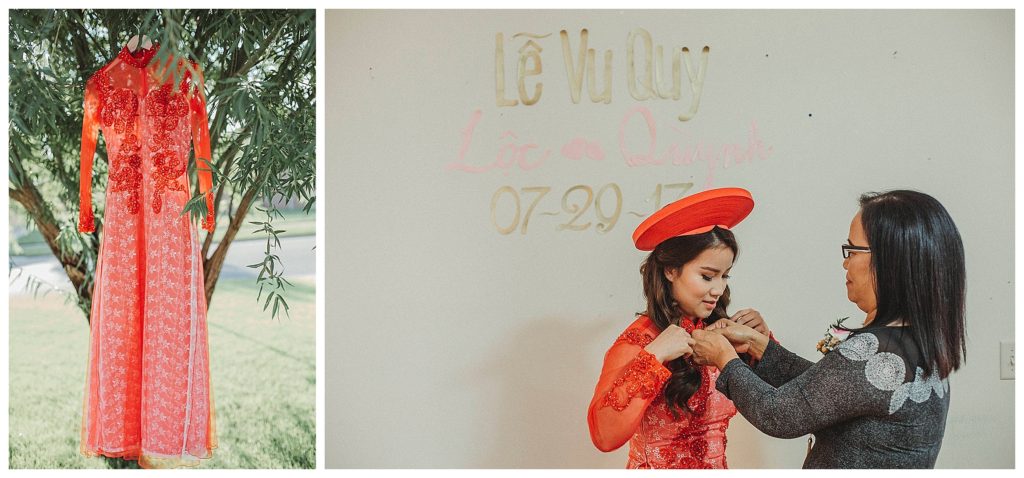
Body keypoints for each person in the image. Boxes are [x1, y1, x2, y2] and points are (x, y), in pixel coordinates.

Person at [690, 189, 966, 468]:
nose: (845, 262)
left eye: (852, 250)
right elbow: (828, 390)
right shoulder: (916, 342)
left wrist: (725, 358)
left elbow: (779, 414)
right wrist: (758, 346)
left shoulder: (875, 352)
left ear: (889, 261)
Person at [586, 187, 770, 468]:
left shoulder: (722, 332)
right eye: (707, 276)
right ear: (671, 270)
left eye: (725, 276)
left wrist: (762, 342)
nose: (718, 289)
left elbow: (784, 405)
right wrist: (654, 356)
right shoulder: (640, 340)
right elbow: (604, 436)